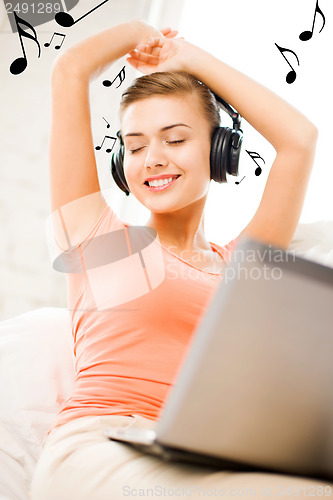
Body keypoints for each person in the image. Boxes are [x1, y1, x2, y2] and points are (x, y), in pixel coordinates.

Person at [30, 18, 328, 500]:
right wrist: (140, 32)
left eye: (175, 138)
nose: (152, 159)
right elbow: (70, 68)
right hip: (101, 448)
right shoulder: (99, 241)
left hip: (192, 458)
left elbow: (300, 139)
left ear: (218, 150)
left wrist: (187, 58)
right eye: (135, 146)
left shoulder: (242, 267)